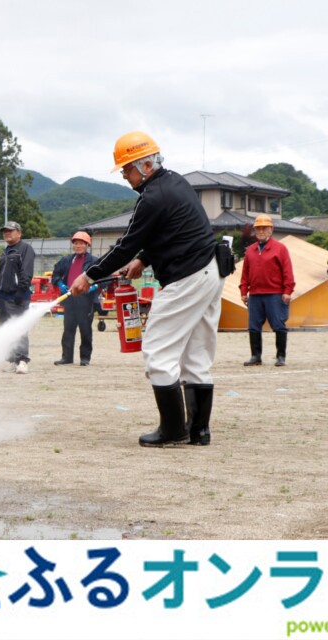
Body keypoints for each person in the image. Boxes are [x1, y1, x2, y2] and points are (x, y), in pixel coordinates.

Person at [69, 131, 223, 447]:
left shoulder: (151, 198)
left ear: (147, 164)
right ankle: (198, 431)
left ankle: (173, 430)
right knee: (197, 354)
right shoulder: (177, 183)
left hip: (186, 277)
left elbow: (126, 245)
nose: (125, 176)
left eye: (127, 169)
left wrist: (90, 275)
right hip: (211, 270)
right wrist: (145, 259)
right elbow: (173, 230)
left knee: (157, 349)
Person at [239, 214, 295, 367]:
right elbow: (245, 273)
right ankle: (255, 356)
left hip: (275, 294)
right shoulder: (250, 250)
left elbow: (287, 272)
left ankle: (280, 356)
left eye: (264, 228)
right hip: (255, 295)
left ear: (271, 229)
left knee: (278, 324)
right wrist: (244, 291)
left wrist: (288, 291)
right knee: (253, 326)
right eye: (258, 228)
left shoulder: (280, 249)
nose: (261, 231)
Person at [51, 231, 100, 366]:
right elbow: (55, 274)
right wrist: (60, 284)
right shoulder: (66, 260)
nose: (78, 246)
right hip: (70, 298)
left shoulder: (94, 261)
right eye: (76, 243)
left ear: (87, 245)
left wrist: (93, 287)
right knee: (68, 329)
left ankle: (85, 358)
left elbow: (103, 279)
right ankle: (67, 357)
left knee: (85, 329)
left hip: (86, 299)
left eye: (81, 243)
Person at [0, 221, 36, 374]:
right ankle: (12, 360)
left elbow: (26, 272)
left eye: (10, 231)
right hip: (4, 297)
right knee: (7, 330)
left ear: (19, 233)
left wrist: (21, 291)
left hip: (18, 296)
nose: (7, 234)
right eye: (5, 231)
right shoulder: (5, 251)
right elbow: (0, 274)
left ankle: (23, 360)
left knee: (20, 328)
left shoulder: (25, 249)